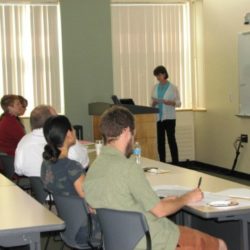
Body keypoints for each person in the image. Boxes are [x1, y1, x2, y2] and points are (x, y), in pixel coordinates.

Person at [84, 106, 227, 250]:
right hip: (151, 241)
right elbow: (160, 211)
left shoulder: (95, 166)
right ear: (127, 131)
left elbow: (117, 204)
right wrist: (187, 198)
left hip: (117, 243)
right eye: (133, 134)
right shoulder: (128, 167)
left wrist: (159, 202)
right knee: (220, 245)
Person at [41, 115, 101, 245]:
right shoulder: (71, 167)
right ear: (69, 133)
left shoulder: (46, 164)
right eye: (72, 128)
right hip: (87, 230)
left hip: (68, 225)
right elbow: (91, 200)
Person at [15, 105, 89, 177]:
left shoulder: (24, 141)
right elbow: (84, 163)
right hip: (66, 187)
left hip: (36, 188)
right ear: (52, 121)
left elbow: (18, 170)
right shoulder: (64, 139)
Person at [152, 65, 181, 164]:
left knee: (171, 140)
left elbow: (179, 103)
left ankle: (176, 163)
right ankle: (162, 162)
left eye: (159, 75)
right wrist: (154, 103)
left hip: (169, 118)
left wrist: (170, 102)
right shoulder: (155, 87)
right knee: (160, 142)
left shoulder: (173, 88)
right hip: (159, 118)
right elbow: (151, 102)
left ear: (164, 74)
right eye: (156, 76)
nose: (157, 78)